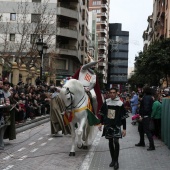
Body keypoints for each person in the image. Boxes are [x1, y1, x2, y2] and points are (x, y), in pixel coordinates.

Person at [98, 88, 127, 170]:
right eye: (110, 93)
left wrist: (124, 129)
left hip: (117, 125)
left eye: (114, 93)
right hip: (108, 125)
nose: (112, 94)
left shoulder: (120, 104)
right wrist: (100, 123)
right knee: (110, 141)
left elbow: (123, 117)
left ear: (116, 93)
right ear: (109, 93)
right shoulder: (106, 102)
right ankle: (113, 160)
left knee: (116, 142)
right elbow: (102, 113)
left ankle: (116, 161)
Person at [72, 53, 103, 117]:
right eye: (92, 65)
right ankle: (67, 110)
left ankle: (95, 114)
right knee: (69, 94)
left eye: (94, 65)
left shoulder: (94, 75)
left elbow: (93, 83)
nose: (93, 67)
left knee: (94, 97)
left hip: (88, 89)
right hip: (79, 87)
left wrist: (89, 88)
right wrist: (96, 61)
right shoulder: (83, 69)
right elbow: (88, 65)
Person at [135, 86, 155, 151]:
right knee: (141, 129)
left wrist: (142, 116)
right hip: (145, 116)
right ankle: (142, 142)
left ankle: (152, 145)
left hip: (145, 116)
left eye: (143, 89)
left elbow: (146, 108)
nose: (142, 90)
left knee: (147, 131)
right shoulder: (149, 97)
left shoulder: (146, 97)